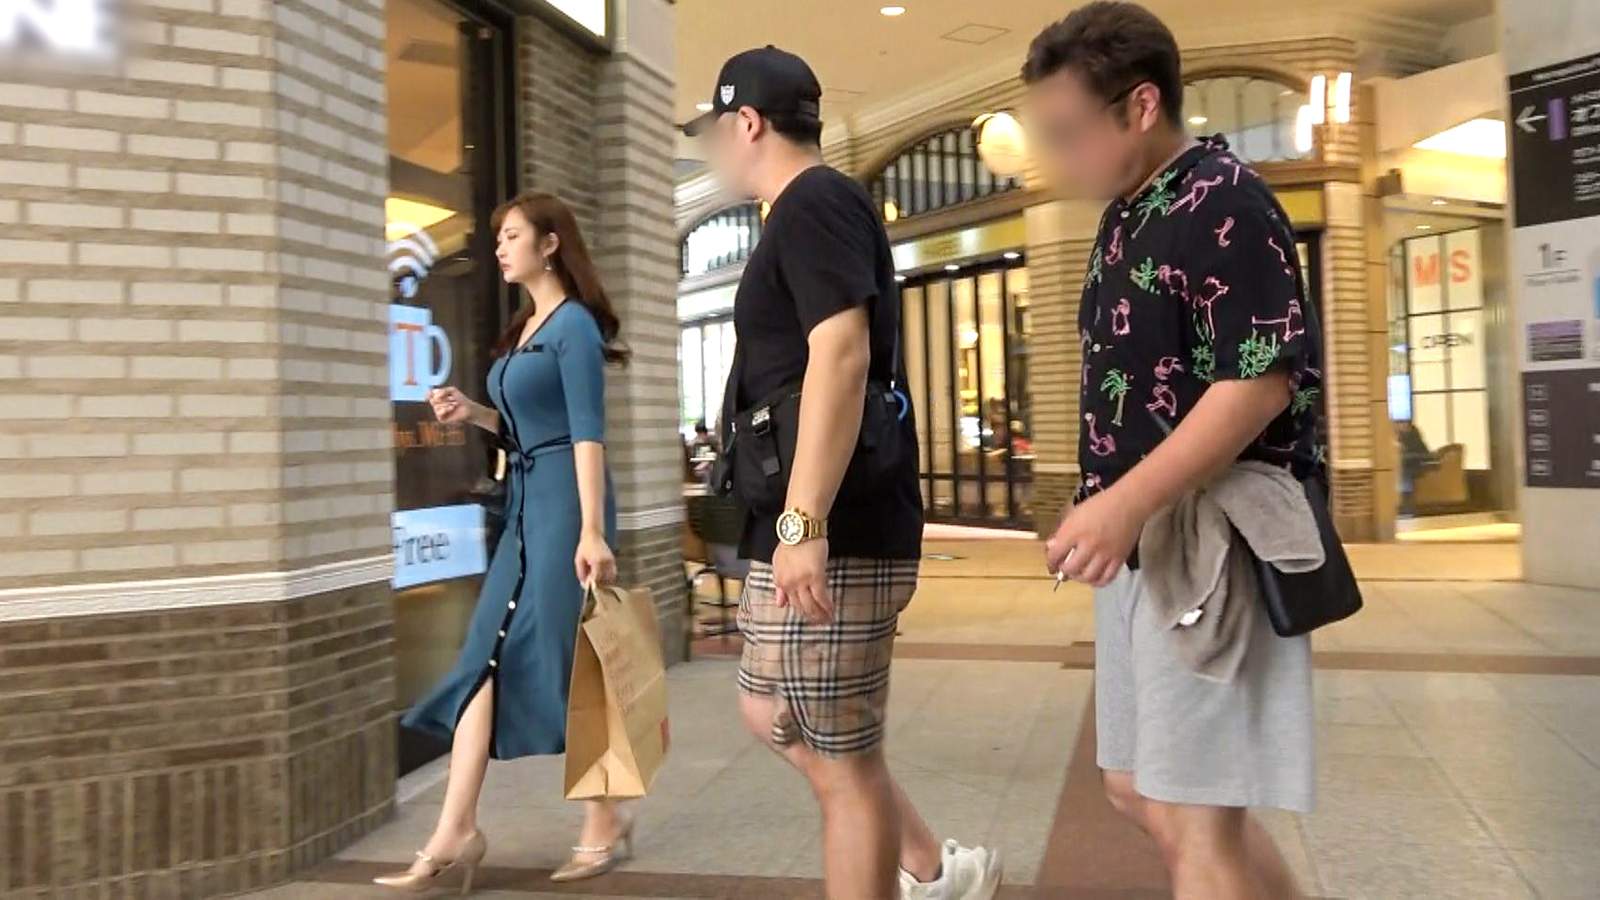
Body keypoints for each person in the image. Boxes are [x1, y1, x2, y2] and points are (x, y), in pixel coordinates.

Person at [684, 46, 1003, 900]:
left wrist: (805, 523)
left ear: (747, 123)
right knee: (776, 712)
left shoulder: (815, 202)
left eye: (717, 132)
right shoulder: (798, 211)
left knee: (839, 759)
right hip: (801, 514)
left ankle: (927, 876)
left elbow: (842, 353)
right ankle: (934, 869)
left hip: (836, 520)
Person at [1023, 4, 1323, 898]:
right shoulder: (1126, 214)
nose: (1058, 156)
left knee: (1196, 813)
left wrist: (1123, 500)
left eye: (1068, 132)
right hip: (1141, 540)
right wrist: (1105, 500)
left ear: (1142, 104)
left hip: (1210, 539)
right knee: (1136, 787)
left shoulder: (1224, 199)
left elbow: (1259, 380)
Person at [375, 192, 636, 892]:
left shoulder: (573, 326)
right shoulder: (528, 327)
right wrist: (474, 413)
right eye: (497, 237)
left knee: (569, 661)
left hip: (565, 509)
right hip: (525, 506)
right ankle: (456, 829)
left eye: (511, 235)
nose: (498, 247)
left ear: (550, 244)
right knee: (482, 656)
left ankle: (604, 818)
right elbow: (528, 427)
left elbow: (586, 434)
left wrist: (590, 529)